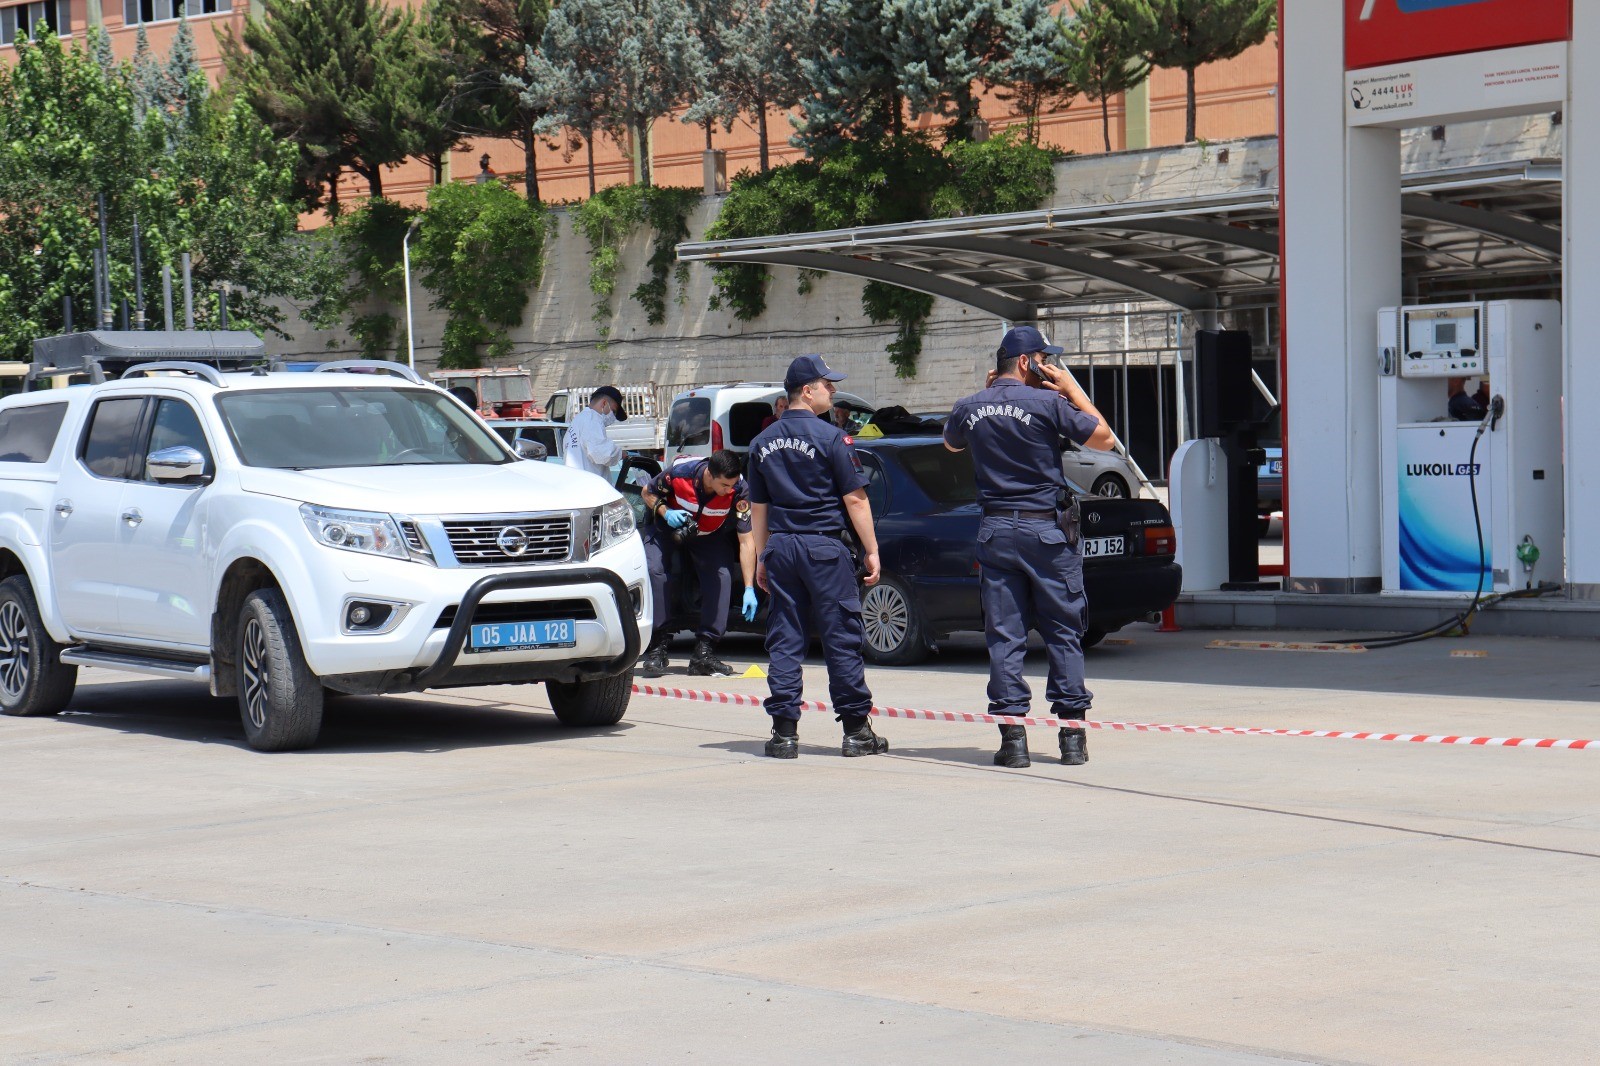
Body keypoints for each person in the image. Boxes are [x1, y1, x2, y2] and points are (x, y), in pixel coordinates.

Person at [943, 325, 1115, 769]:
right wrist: (1072, 388)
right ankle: (1072, 740)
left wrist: (986, 398)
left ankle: (1013, 741)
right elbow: (1104, 437)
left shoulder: (970, 406)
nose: (1051, 369)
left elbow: (950, 442)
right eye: (1045, 361)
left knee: (1005, 635)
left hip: (995, 532)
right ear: (1027, 362)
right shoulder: (1048, 402)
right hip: (1046, 532)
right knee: (1063, 629)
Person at [747, 355, 886, 759]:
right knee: (841, 638)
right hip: (824, 547)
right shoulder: (831, 438)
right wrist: (872, 550)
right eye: (827, 385)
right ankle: (857, 732)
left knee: (786, 639)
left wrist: (761, 559)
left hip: (783, 547)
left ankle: (784, 734)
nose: (834, 391)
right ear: (806, 390)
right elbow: (856, 499)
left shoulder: (760, 443)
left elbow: (759, 508)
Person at [636, 450, 758, 678]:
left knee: (721, 575)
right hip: (667, 525)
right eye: (724, 485)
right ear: (709, 475)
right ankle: (658, 646)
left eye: (731, 485)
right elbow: (647, 492)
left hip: (709, 533)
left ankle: (704, 652)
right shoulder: (680, 473)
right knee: (655, 571)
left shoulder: (740, 489)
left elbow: (746, 540)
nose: (728, 490)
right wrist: (666, 512)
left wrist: (749, 587)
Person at [563, 385, 627, 479]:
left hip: (575, 484)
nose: (613, 417)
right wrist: (621, 454)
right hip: (588, 488)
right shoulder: (592, 419)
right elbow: (602, 453)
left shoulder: (578, 420)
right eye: (613, 411)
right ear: (604, 403)